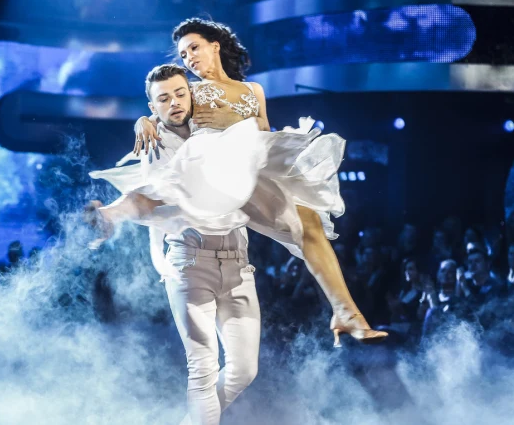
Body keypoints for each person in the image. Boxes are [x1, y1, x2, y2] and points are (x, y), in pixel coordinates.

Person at [90, 18, 385, 345]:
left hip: (250, 169)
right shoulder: (192, 90)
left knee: (309, 224)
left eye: (194, 48)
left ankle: (346, 313)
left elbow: (264, 133)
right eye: (184, 55)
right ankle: (108, 215)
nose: (189, 58)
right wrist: (142, 121)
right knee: (166, 190)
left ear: (215, 46)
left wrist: (254, 130)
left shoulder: (253, 90)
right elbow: (166, 105)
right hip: (209, 165)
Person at [90, 65, 260, 425]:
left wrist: (145, 119)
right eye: (164, 99)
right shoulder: (154, 145)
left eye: (181, 93)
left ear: (192, 93)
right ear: (153, 106)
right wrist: (112, 214)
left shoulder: (216, 127)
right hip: (190, 263)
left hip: (238, 264)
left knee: (245, 370)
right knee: (203, 368)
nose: (175, 103)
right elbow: (149, 196)